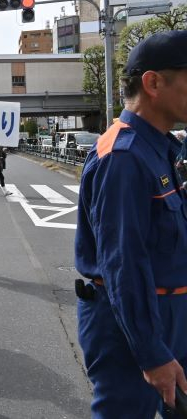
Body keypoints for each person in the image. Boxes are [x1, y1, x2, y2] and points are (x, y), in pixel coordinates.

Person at [75, 30, 187, 417]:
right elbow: (123, 263)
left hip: (172, 313)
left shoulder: (162, 146)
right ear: (153, 83)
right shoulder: (122, 156)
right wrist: (151, 352)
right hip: (131, 325)